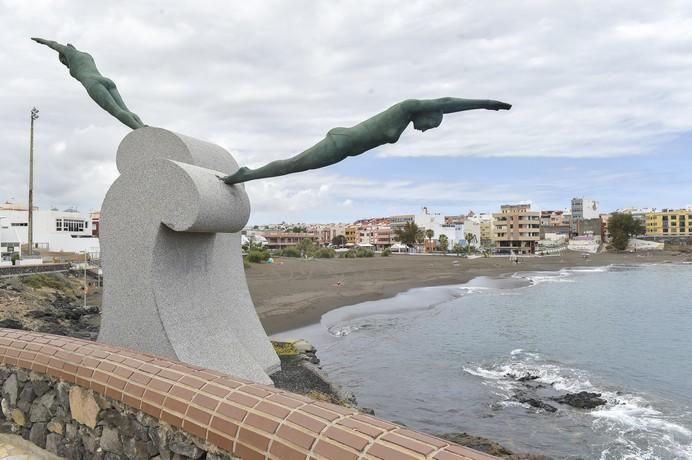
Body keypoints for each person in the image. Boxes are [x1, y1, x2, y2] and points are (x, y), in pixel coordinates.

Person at [223, 97, 510, 184]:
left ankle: (246, 176)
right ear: (427, 114)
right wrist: (484, 104)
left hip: (346, 148)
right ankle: (246, 175)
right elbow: (446, 102)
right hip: (342, 142)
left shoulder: (405, 121)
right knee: (293, 165)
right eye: (429, 125)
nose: (424, 130)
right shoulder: (405, 108)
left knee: (296, 166)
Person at [31, 38, 145, 130]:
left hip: (93, 83)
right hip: (107, 81)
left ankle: (140, 131)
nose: (65, 64)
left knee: (116, 111)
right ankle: (143, 127)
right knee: (126, 110)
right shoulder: (87, 55)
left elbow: (54, 44)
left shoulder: (71, 53)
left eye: (63, 61)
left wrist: (43, 41)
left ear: (64, 56)